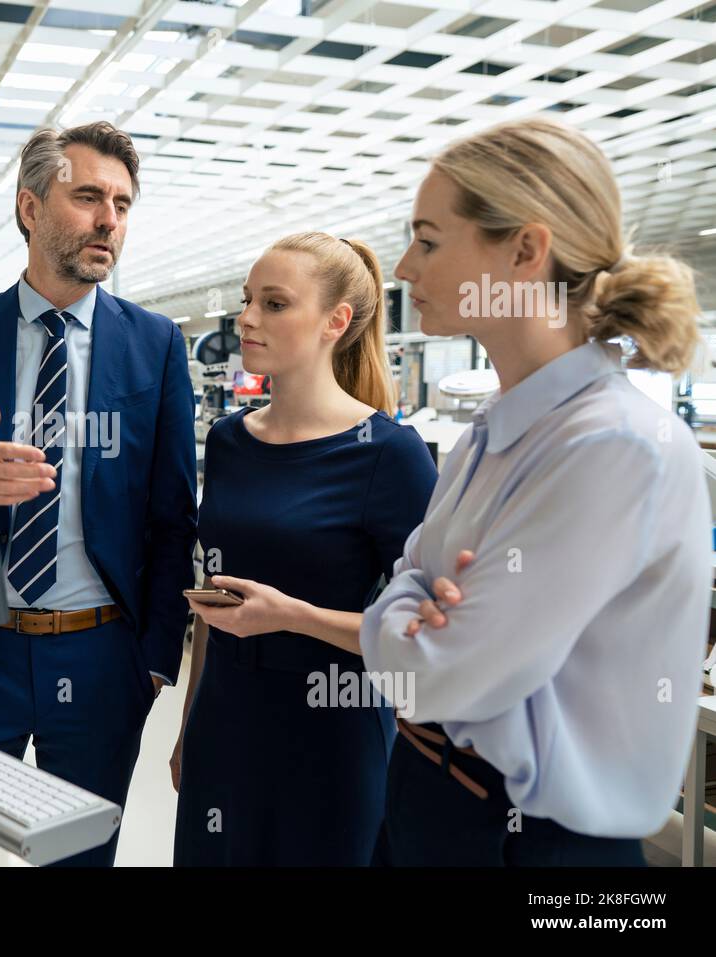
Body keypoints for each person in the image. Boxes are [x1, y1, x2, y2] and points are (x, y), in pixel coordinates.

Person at [362, 115, 710, 866]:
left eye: (427, 239)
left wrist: (403, 611)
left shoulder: (612, 445)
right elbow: (410, 583)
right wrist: (406, 602)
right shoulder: (496, 430)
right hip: (429, 795)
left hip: (528, 842)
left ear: (524, 250)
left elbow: (438, 672)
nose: (403, 267)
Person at [0, 121, 198, 866]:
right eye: (89, 197)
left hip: (102, 658)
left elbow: (172, 515)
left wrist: (157, 659)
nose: (110, 219)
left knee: (80, 860)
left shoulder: (155, 343)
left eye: (124, 204)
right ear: (30, 209)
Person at [173, 232, 437, 865]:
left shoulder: (387, 454)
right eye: (247, 300)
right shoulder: (231, 441)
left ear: (335, 322)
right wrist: (190, 725)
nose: (247, 318)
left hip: (330, 729)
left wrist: (292, 615)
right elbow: (217, 599)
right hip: (226, 718)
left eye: (275, 303)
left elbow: (429, 629)